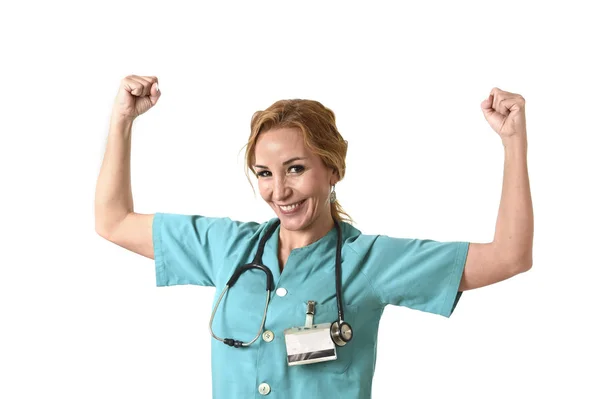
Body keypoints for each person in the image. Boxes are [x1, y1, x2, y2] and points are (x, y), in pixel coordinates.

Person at [95, 75, 534, 398]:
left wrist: (513, 143)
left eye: (296, 169)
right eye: (265, 174)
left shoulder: (370, 261)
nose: (279, 191)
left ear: (333, 170)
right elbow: (113, 221)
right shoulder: (228, 247)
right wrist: (121, 121)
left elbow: (509, 256)